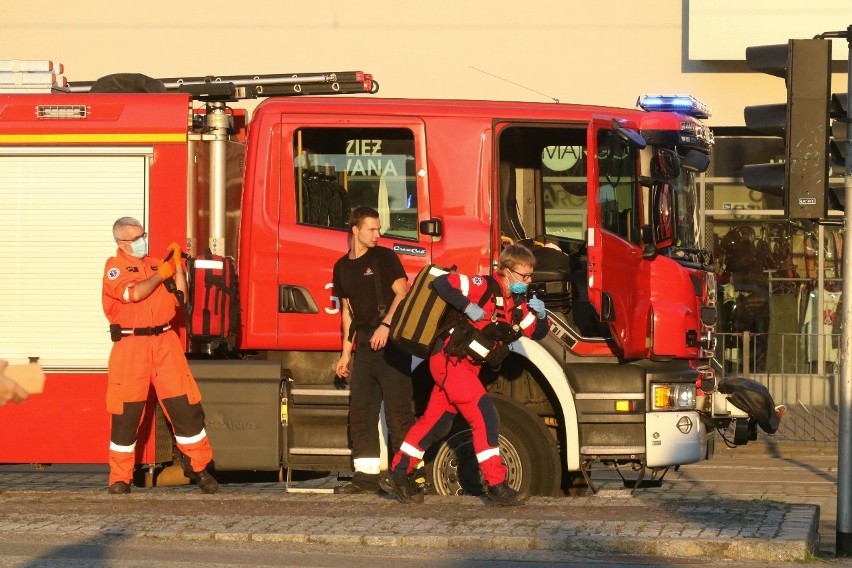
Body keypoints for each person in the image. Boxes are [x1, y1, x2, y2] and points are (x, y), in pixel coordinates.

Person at [381, 244, 549, 506]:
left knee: (436, 424)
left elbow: (535, 332)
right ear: (505, 271)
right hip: (451, 362)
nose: (527, 282)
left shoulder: (517, 304)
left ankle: (400, 472)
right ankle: (496, 485)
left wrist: (542, 315)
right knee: (486, 416)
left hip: (466, 367)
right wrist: (468, 306)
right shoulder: (483, 285)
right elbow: (442, 283)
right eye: (523, 276)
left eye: (530, 277)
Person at [102, 217, 217, 495]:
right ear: (121, 243)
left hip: (166, 342)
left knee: (185, 408)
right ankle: (120, 478)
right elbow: (136, 293)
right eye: (136, 238)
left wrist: (176, 266)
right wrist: (161, 273)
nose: (143, 240)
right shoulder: (114, 268)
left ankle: (199, 469)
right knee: (126, 414)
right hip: (131, 346)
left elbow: (182, 298)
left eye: (144, 235)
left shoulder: (157, 263)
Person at [332, 207, 415, 494]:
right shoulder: (342, 267)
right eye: (371, 229)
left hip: (392, 345)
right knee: (361, 412)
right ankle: (365, 477)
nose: (377, 234)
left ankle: (411, 476)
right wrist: (345, 354)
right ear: (355, 230)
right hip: (364, 346)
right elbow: (347, 312)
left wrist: (386, 326)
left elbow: (403, 294)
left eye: (378, 229)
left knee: (398, 414)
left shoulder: (384, 257)